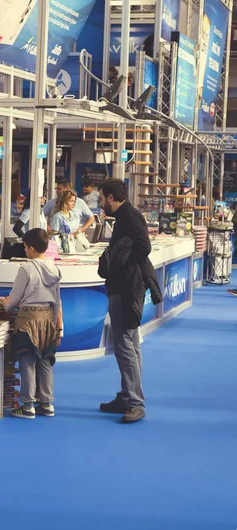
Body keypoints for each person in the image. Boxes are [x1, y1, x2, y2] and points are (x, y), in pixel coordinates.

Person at [97, 178, 162, 424]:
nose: (101, 204)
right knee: (130, 343)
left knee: (126, 345)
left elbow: (144, 247)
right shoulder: (126, 216)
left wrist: (120, 263)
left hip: (126, 288)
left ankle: (135, 402)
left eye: (102, 199)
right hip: (125, 286)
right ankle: (127, 396)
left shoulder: (130, 217)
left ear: (111, 198)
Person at [0, 228, 63, 419]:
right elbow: (58, 301)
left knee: (27, 361)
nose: (25, 250)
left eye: (25, 247)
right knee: (45, 361)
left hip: (27, 321)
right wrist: (59, 328)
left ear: (32, 248)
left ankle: (27, 406)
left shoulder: (26, 269)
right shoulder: (55, 268)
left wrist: (4, 302)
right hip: (48, 319)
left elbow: (13, 302)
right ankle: (47, 403)